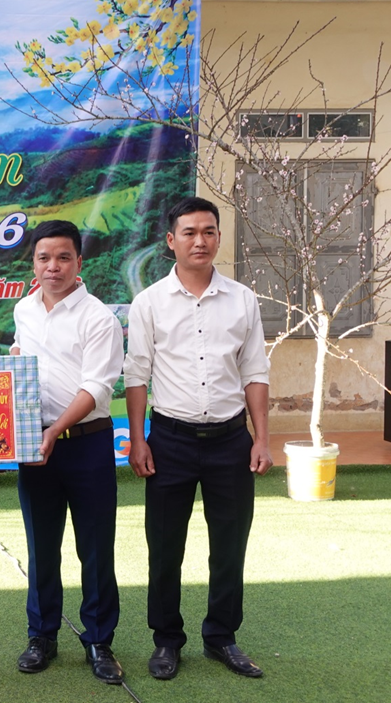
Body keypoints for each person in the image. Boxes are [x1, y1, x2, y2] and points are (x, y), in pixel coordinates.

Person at [124, 196, 272, 681]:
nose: (200, 241)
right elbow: (136, 375)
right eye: (189, 232)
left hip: (231, 441)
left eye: (208, 231)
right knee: (165, 548)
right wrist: (139, 440)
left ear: (219, 238)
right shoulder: (149, 303)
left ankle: (221, 637)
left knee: (229, 545)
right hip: (170, 441)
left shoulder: (242, 299)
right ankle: (167, 640)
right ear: (171, 241)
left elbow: (254, 371)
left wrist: (261, 438)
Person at [10, 220, 125, 685]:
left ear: (80, 262)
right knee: (41, 546)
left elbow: (97, 387)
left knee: (94, 547)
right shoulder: (23, 309)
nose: (53, 267)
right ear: (33, 263)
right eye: (44, 258)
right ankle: (42, 635)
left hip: (87, 444)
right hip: (34, 444)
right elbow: (21, 363)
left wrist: (56, 429)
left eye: (63, 258)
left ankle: (99, 640)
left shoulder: (99, 318)